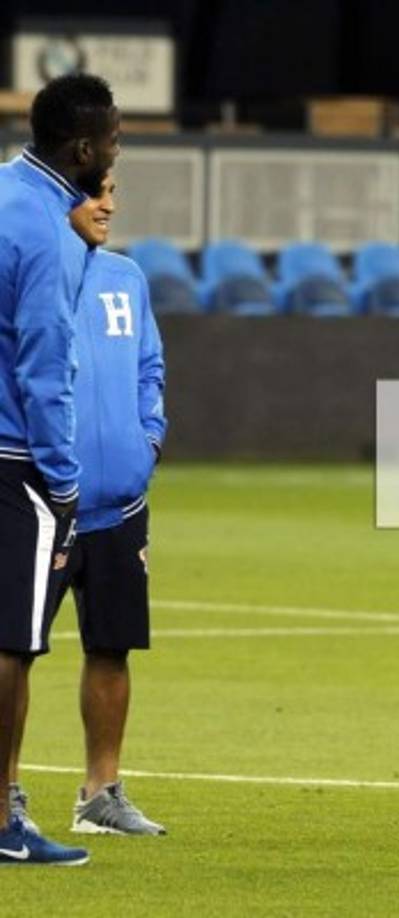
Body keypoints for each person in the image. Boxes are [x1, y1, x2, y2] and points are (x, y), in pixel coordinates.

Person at [8, 173, 167, 836]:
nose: (109, 204)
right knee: (13, 651)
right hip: (42, 498)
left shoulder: (127, 277)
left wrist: (147, 438)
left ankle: (101, 793)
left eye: (112, 190)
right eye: (95, 192)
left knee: (113, 645)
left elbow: (150, 367)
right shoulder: (31, 272)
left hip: (118, 506)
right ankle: (6, 795)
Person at [0, 72, 120, 867]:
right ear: (81, 149)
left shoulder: (3, 192)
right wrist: (65, 481)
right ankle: (0, 818)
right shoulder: (46, 231)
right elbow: (45, 369)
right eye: (112, 142)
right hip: (15, 463)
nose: (115, 155)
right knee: (10, 643)